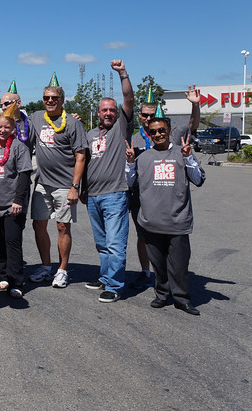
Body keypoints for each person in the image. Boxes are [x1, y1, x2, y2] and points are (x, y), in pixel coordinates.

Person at [125, 118, 205, 315]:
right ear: (149, 134)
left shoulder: (181, 152)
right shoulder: (143, 157)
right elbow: (130, 181)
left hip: (177, 221)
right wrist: (130, 163)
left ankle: (182, 299)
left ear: (169, 130)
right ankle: (161, 294)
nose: (158, 134)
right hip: (151, 222)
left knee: (179, 266)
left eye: (162, 130)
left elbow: (198, 179)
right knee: (159, 266)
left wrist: (188, 159)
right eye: (153, 132)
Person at [128, 85, 201, 289]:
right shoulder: (134, 138)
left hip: (169, 197)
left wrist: (195, 106)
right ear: (140, 115)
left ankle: (172, 280)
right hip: (143, 197)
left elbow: (192, 124)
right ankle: (146, 272)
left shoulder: (173, 133)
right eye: (144, 115)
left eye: (152, 114)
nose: (149, 119)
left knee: (170, 240)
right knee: (143, 236)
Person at [80, 61, 134, 302]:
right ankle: (104, 276)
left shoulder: (121, 128)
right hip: (92, 195)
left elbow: (129, 99)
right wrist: (82, 189)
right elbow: (83, 163)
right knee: (101, 242)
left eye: (112, 110)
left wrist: (123, 74)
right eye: (105, 110)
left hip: (115, 194)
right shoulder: (90, 134)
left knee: (115, 243)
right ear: (99, 112)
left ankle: (114, 285)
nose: (109, 113)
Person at [28, 74, 88, 288]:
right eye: (46, 98)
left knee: (63, 227)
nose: (50, 101)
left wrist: (75, 186)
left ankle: (62, 270)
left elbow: (80, 155)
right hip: (42, 183)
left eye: (54, 98)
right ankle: (46, 266)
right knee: (38, 225)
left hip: (65, 186)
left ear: (62, 100)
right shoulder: (35, 118)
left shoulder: (72, 123)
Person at [0, 106, 33, 299]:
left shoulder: (19, 148)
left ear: (13, 129)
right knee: (0, 242)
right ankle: (4, 275)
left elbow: (24, 174)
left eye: (6, 127)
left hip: (13, 204)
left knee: (13, 242)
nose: (2, 130)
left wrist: (18, 200)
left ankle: (16, 282)